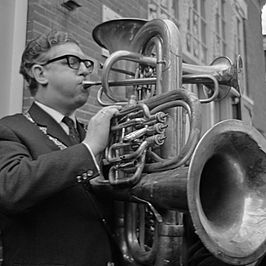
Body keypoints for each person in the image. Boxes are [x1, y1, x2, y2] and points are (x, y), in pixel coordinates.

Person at [0, 30, 121, 266]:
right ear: (40, 73)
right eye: (72, 62)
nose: (86, 70)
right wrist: (89, 148)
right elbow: (10, 188)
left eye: (87, 63)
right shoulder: (10, 128)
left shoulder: (92, 132)